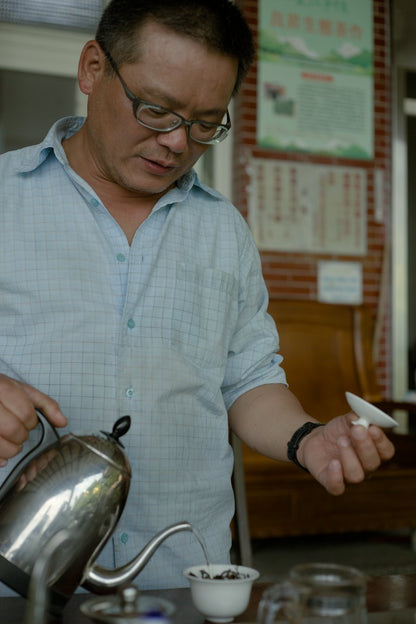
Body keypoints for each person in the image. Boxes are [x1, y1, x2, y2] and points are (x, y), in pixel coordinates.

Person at [0, 0, 394, 591]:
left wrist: (310, 438)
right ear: (92, 69)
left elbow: (249, 379)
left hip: (187, 579)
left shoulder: (223, 231)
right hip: (17, 574)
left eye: (207, 123)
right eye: (156, 109)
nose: (178, 143)